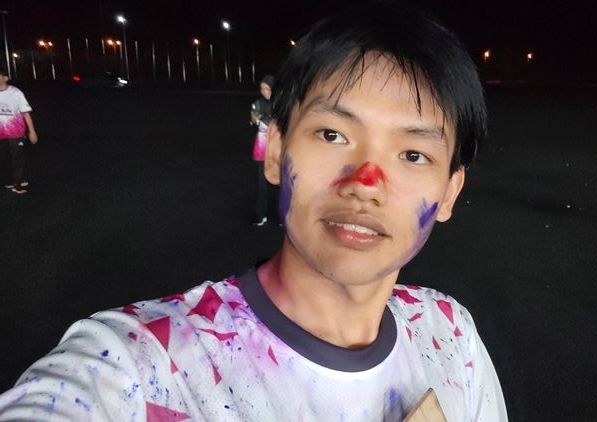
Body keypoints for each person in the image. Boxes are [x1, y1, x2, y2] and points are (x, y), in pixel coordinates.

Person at [0, 3, 507, 421]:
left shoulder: (448, 333)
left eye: (413, 154)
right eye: (333, 134)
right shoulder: (140, 366)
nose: (365, 184)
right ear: (277, 150)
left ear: (449, 192)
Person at [0, 69, 38, 194]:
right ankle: (13, 180)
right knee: (5, 157)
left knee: (17, 157)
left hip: (15, 132)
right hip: (1, 132)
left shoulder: (16, 93)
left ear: (5, 78)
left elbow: (26, 113)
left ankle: (17, 184)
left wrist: (32, 131)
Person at [250, 75, 274, 226]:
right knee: (261, 181)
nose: (264, 92)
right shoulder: (258, 103)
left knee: (283, 182)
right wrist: (257, 119)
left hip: (279, 146)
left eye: (267, 89)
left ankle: (283, 215)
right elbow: (254, 119)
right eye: (262, 89)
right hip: (263, 145)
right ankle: (261, 214)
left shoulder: (281, 104)